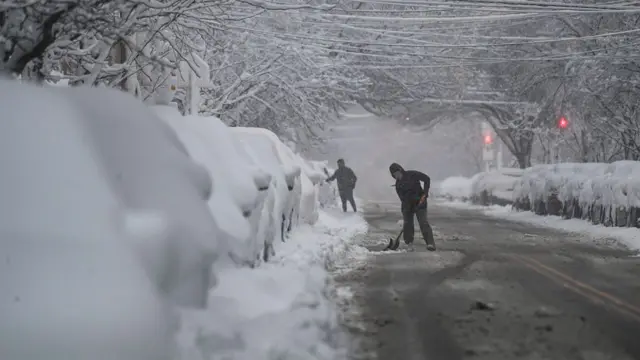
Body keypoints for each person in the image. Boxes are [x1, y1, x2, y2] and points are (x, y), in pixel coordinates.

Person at [389, 162, 436, 251]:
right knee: (407, 224)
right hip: (407, 206)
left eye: (397, 173)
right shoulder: (398, 185)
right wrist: (409, 207)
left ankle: (430, 243)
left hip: (420, 202)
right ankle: (409, 243)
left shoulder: (412, 174)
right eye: (394, 175)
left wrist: (425, 193)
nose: (397, 176)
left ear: (400, 170)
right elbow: (402, 199)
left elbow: (426, 179)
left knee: (423, 222)